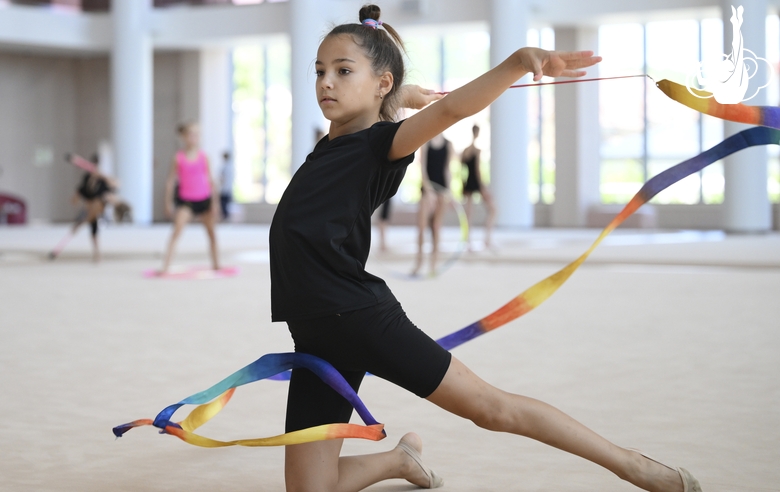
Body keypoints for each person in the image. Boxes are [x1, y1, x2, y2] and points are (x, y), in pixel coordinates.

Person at [270, 5, 699, 492]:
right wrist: (401, 94)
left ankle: (635, 466)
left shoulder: (380, 145)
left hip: (355, 317)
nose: (327, 82)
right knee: (308, 490)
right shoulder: (335, 139)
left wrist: (518, 61)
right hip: (314, 331)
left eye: (343, 71)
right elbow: (384, 100)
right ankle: (400, 461)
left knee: (492, 409)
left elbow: (452, 109)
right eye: (321, 71)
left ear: (380, 83)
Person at [160, 123, 220, 274]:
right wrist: (167, 203)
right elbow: (170, 181)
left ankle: (216, 264)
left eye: (197, 134)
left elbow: (211, 181)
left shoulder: (204, 157)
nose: (195, 137)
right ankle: (166, 266)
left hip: (204, 199)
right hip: (186, 201)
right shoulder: (178, 157)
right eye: (191, 134)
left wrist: (215, 203)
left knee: (212, 233)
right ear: (184, 137)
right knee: (176, 231)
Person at [50, 154, 117, 262]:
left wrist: (104, 179)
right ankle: (58, 250)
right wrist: (76, 197)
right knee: (77, 226)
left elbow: (111, 188)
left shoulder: (102, 180)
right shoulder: (87, 178)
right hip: (88, 207)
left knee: (93, 229)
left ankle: (97, 253)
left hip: (96, 208)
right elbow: (81, 190)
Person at [411, 134, 454, 276]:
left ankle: (433, 265)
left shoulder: (448, 144)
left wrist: (448, 191)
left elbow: (447, 169)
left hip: (441, 190)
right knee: (422, 227)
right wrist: (428, 190)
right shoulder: (426, 142)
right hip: (427, 190)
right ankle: (419, 263)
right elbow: (422, 167)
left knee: (436, 227)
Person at [460, 124, 496, 250]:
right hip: (475, 182)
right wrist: (483, 187)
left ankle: (469, 242)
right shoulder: (477, 150)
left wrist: (462, 185)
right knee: (492, 209)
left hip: (467, 182)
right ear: (477, 133)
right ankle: (487, 239)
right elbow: (477, 170)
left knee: (469, 213)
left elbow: (461, 169)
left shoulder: (465, 151)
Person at [219, 150, 234, 221]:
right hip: (228, 188)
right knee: (225, 204)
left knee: (224, 204)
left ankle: (225, 217)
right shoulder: (231, 166)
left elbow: (223, 178)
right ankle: (225, 216)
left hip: (225, 189)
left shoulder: (225, 167)